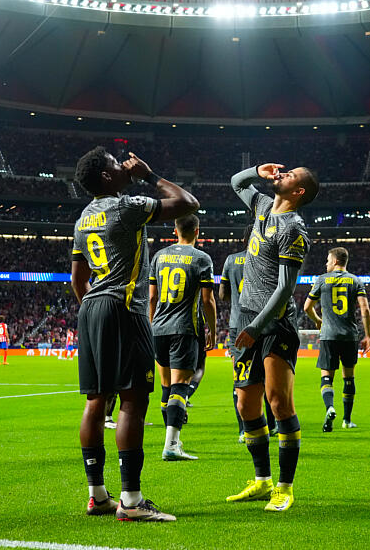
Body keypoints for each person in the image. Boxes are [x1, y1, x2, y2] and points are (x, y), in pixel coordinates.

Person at [71, 147, 198, 521]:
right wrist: (148, 174)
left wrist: (94, 311)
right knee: (132, 401)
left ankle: (98, 496)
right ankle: (131, 501)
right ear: (108, 177)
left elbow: (79, 279)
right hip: (123, 308)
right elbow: (187, 202)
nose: (122, 164)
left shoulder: (82, 219)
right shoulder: (126, 206)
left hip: (91, 308)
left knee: (96, 402)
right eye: (115, 162)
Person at [226, 162, 318, 512]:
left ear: (298, 193)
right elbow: (236, 181)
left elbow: (284, 290)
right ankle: (262, 481)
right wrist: (256, 171)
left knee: (278, 402)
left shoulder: (293, 229)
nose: (282, 175)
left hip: (274, 323)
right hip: (248, 320)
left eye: (290, 175)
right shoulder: (263, 205)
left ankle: (285, 487)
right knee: (245, 404)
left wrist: (255, 328)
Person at [148, 214, 217, 461]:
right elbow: (208, 300)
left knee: (166, 387)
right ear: (198, 230)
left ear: (175, 229)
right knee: (180, 386)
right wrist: (213, 328)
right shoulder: (201, 259)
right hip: (184, 328)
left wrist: (151, 324)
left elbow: (152, 298)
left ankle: (172, 439)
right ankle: (171, 445)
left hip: (159, 328)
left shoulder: (158, 256)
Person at [303, 247, 370, 432]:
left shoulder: (322, 280)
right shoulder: (355, 280)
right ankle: (347, 420)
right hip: (350, 336)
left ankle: (330, 407)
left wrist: (318, 321)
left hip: (328, 336)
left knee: (327, 377)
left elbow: (307, 307)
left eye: (327, 260)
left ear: (334, 261)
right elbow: (365, 309)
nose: (326, 263)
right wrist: (368, 335)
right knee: (349, 378)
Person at [220, 227, 277, 442]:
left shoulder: (230, 260)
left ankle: (243, 429)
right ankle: (271, 426)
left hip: (238, 326)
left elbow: (223, 294)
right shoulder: (267, 260)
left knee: (240, 380)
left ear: (244, 240)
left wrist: (236, 299)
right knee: (267, 378)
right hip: (264, 325)